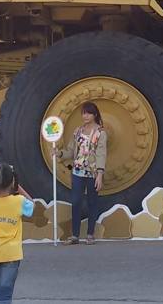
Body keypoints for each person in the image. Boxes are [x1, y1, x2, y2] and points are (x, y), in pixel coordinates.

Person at [0, 162, 34, 304]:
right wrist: (18, 188)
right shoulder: (19, 201)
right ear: (12, 181)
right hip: (11, 254)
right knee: (5, 296)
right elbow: (31, 204)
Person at [60, 101, 108, 245]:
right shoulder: (78, 131)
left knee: (92, 202)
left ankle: (90, 234)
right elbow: (70, 150)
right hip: (77, 171)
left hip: (92, 172)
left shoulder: (101, 133)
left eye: (89, 113)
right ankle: (75, 235)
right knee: (76, 202)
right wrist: (60, 153)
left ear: (95, 115)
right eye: (84, 113)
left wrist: (100, 174)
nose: (85, 116)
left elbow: (101, 153)